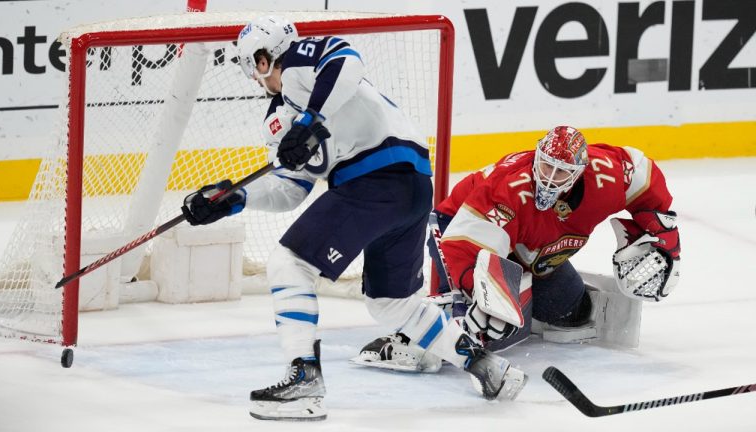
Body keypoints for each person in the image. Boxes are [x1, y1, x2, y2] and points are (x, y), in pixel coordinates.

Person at [179, 16, 526, 421]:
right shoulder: (281, 118)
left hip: (376, 180)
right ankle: (487, 367)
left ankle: (304, 379)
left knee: (289, 264)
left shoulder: (299, 63)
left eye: (256, 64)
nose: (258, 75)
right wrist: (234, 198)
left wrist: (311, 122)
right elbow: (291, 188)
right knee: (391, 304)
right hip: (409, 188)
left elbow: (346, 60)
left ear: (261, 60)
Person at [356, 125, 681, 369]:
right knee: (478, 326)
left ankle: (524, 304)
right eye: (545, 166)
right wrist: (480, 291)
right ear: (536, 155)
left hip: (534, 251)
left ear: (580, 173)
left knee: (571, 311)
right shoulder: (510, 190)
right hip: (460, 224)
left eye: (562, 172)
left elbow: (644, 174)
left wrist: (663, 235)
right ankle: (415, 338)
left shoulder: (605, 178)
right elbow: (462, 245)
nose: (550, 178)